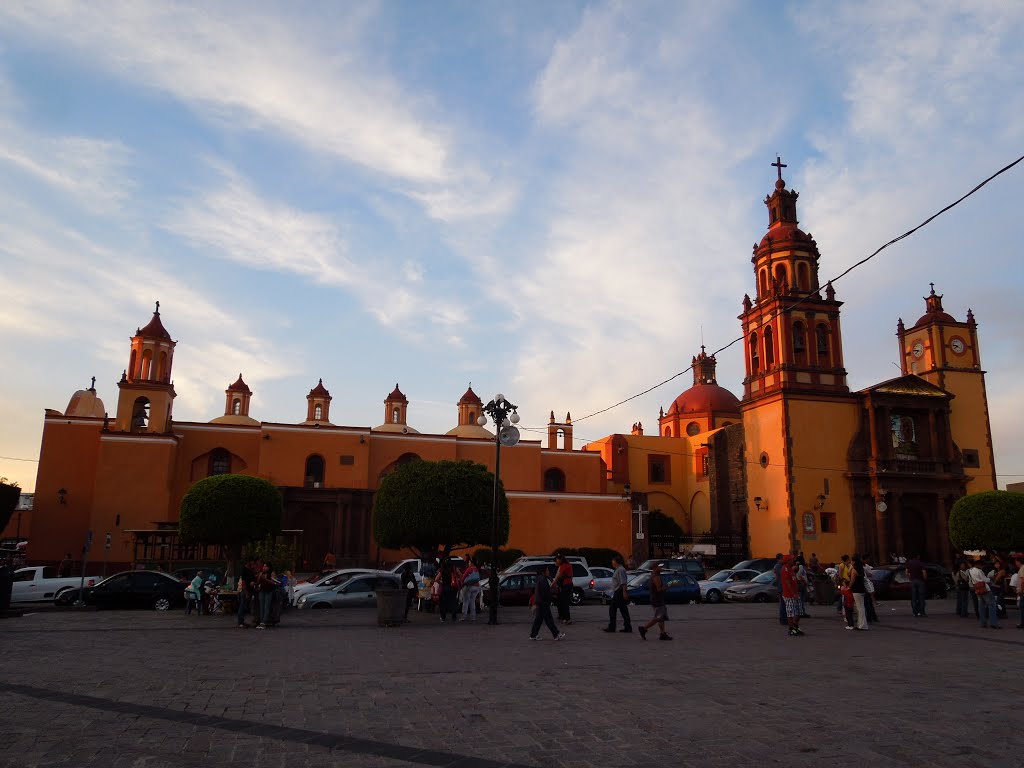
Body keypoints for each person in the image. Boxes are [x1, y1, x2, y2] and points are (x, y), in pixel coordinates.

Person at [529, 567, 565, 641]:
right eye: (547, 570)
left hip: (540, 602)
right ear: (543, 572)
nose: (548, 571)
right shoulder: (543, 580)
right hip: (543, 602)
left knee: (539, 620)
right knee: (548, 620)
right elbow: (545, 592)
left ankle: (533, 635)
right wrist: (551, 597)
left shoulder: (540, 578)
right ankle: (556, 634)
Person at [638, 563, 671, 641]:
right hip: (657, 600)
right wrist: (667, 586)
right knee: (658, 617)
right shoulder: (656, 577)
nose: (662, 568)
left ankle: (662, 634)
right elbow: (659, 589)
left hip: (655, 599)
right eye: (660, 567)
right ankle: (643, 628)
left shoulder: (653, 575)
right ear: (655, 568)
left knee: (661, 617)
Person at [604, 554, 632, 633]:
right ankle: (627, 627)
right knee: (623, 610)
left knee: (613, 609)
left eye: (613, 561)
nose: (612, 563)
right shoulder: (618, 569)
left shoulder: (620, 570)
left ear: (616, 562)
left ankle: (612, 627)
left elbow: (623, 582)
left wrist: (624, 592)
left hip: (619, 592)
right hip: (618, 592)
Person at [969, 560, 999, 629]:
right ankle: (993, 623)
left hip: (977, 588)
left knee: (981, 606)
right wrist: (990, 579)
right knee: (992, 605)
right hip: (984, 588)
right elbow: (984, 580)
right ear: (978, 564)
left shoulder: (971, 571)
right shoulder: (979, 571)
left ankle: (983, 622)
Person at [780, 555, 804, 636]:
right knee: (791, 612)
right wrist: (793, 593)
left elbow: (793, 579)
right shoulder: (785, 569)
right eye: (791, 560)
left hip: (795, 594)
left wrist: (799, 581)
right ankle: (791, 629)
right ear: (788, 561)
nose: (793, 561)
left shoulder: (791, 569)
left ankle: (795, 626)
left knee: (799, 612)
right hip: (789, 595)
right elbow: (787, 582)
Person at [255, 563, 279, 629]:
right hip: (261, 591)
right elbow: (258, 582)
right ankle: (261, 621)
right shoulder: (261, 573)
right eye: (263, 566)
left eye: (266, 566)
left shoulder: (272, 573)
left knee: (267, 606)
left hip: (269, 591)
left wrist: (265, 579)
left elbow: (274, 582)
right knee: (261, 606)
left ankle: (264, 622)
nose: (264, 567)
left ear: (269, 567)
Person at [553, 554, 574, 625]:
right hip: (568, 585)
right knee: (563, 602)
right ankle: (565, 618)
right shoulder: (568, 565)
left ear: (560, 560)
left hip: (566, 585)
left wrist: (551, 585)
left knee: (564, 602)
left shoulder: (564, 566)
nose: (556, 561)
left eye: (556, 560)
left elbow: (558, 577)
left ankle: (568, 619)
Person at [849, 556, 868, 631]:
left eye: (852, 561)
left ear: (854, 562)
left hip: (856, 589)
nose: (851, 562)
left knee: (859, 608)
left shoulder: (854, 570)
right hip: (862, 589)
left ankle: (862, 625)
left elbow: (852, 580)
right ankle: (861, 624)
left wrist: (849, 587)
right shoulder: (861, 569)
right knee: (861, 607)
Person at [460, 556, 482, 622]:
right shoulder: (476, 569)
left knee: (466, 602)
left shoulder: (469, 569)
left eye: (469, 562)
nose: (468, 563)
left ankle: (463, 616)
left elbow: (463, 577)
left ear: (472, 563)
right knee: (472, 602)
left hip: (469, 587)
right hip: (476, 587)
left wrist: (462, 583)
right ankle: (473, 617)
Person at [236, 559, 256, 628]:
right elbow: (243, 582)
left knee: (245, 606)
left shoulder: (251, 570)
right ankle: (240, 622)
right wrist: (246, 592)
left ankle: (242, 621)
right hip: (245, 590)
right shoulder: (244, 570)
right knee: (243, 605)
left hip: (249, 590)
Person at [773, 553, 786, 625]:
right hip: (781, 587)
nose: (783, 560)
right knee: (783, 604)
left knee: (784, 604)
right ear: (778, 559)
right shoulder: (778, 566)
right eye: (782, 558)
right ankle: (783, 619)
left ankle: (784, 619)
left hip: (781, 587)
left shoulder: (779, 566)